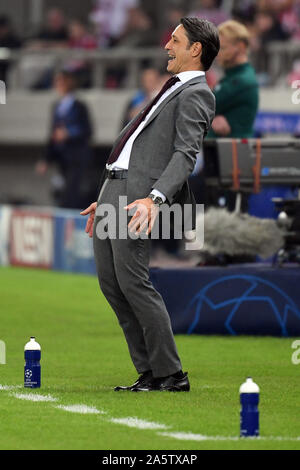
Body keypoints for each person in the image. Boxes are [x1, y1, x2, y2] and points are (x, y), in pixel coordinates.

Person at [81, 17, 219, 392]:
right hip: (114, 193)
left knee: (134, 283)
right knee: (112, 285)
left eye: (174, 40)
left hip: (140, 198)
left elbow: (184, 155)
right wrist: (105, 198)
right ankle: (150, 371)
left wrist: (155, 199)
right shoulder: (171, 88)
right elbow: (135, 150)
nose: (166, 46)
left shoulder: (197, 93)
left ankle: (171, 374)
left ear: (195, 49)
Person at [36, 70, 93, 209]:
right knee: (60, 191)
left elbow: (87, 130)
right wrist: (46, 159)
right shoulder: (57, 106)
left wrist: (68, 133)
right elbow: (53, 135)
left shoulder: (79, 106)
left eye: (61, 81)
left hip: (76, 157)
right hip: (62, 158)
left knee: (72, 192)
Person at [207, 20, 259, 140]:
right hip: (221, 152)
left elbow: (200, 106)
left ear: (240, 47)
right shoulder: (232, 77)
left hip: (233, 155)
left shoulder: (242, 80)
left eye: (223, 48)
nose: (217, 54)